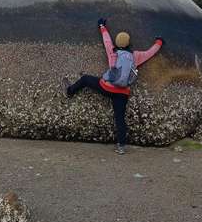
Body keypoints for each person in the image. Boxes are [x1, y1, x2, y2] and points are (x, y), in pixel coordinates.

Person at [65, 18, 163, 154]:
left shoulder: (113, 53)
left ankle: (70, 91)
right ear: (129, 43)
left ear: (117, 43)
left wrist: (102, 26)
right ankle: (121, 147)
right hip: (123, 93)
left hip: (107, 87)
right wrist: (159, 42)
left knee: (86, 79)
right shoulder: (135, 56)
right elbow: (150, 52)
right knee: (120, 119)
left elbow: (106, 40)